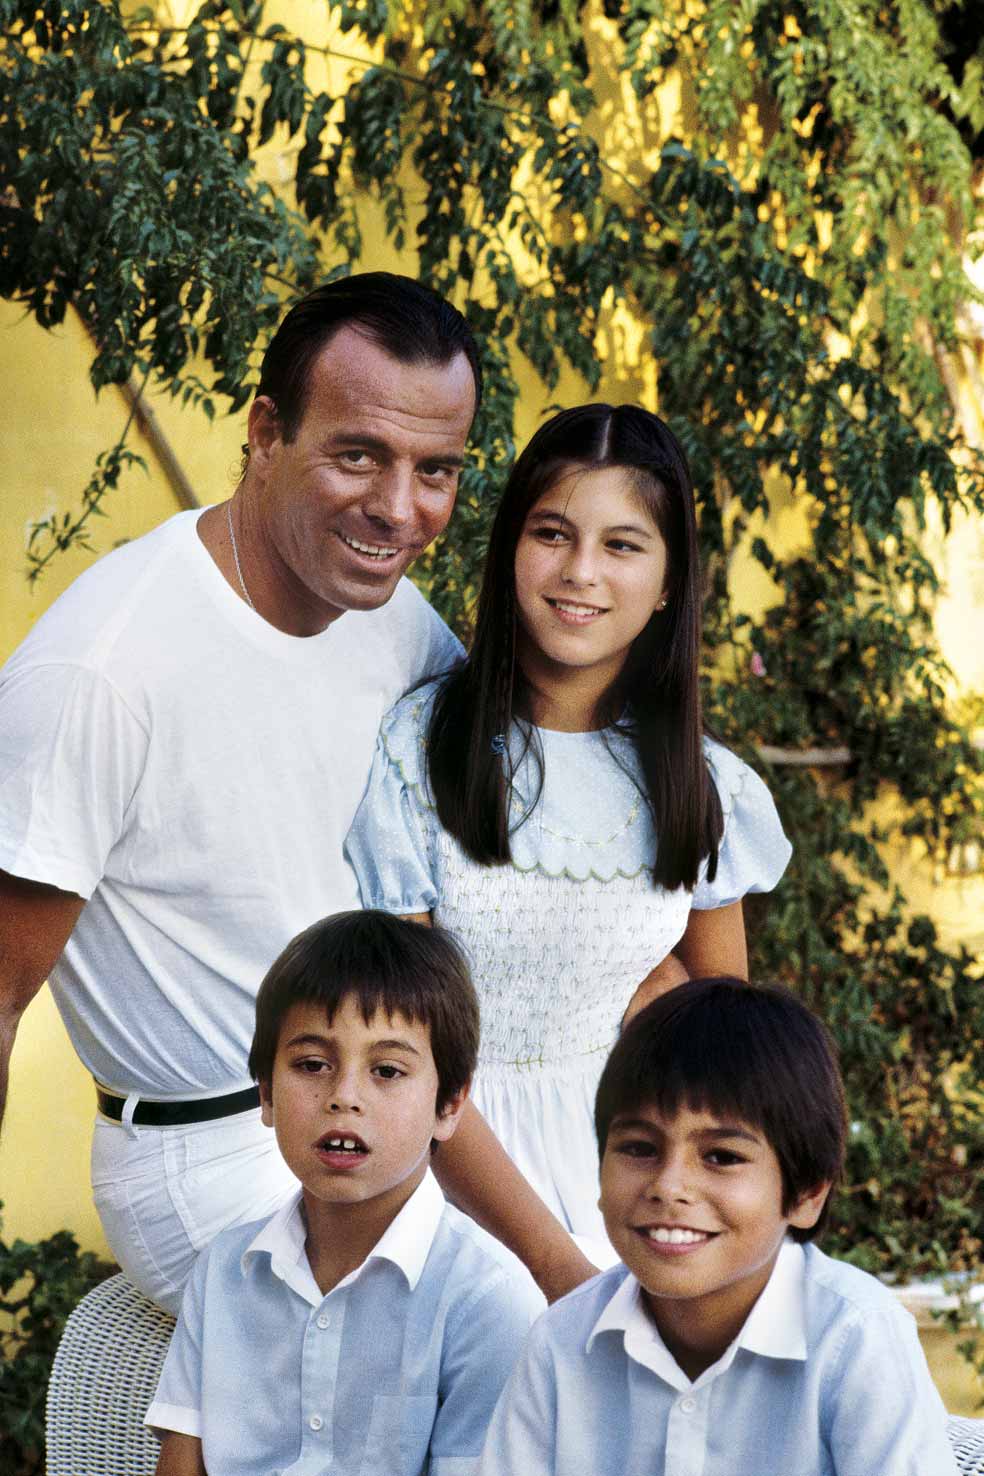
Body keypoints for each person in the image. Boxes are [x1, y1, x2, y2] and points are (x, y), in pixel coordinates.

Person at [0, 273, 479, 1313]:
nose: (400, 510)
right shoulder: (104, 669)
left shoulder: (394, 620)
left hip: (390, 1121)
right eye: (359, 455)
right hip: (209, 1154)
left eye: (434, 470)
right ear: (266, 432)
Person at [346, 403, 792, 1270]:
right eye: (552, 533)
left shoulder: (704, 788)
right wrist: (558, 1268)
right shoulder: (415, 755)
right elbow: (410, 1062)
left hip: (634, 1186)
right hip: (444, 1189)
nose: (580, 572)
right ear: (512, 547)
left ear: (668, 581)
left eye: (623, 545)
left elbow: (721, 1057)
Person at [477, 977, 958, 1476]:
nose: (669, 1185)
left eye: (721, 1156)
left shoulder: (857, 1339)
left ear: (807, 1194)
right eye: (639, 1148)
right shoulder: (560, 1342)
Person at [148, 910, 542, 1476]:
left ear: (449, 1105)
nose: (344, 1096)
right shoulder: (223, 1272)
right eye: (312, 1064)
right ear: (265, 1094)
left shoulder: (488, 1301)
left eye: (386, 1070)